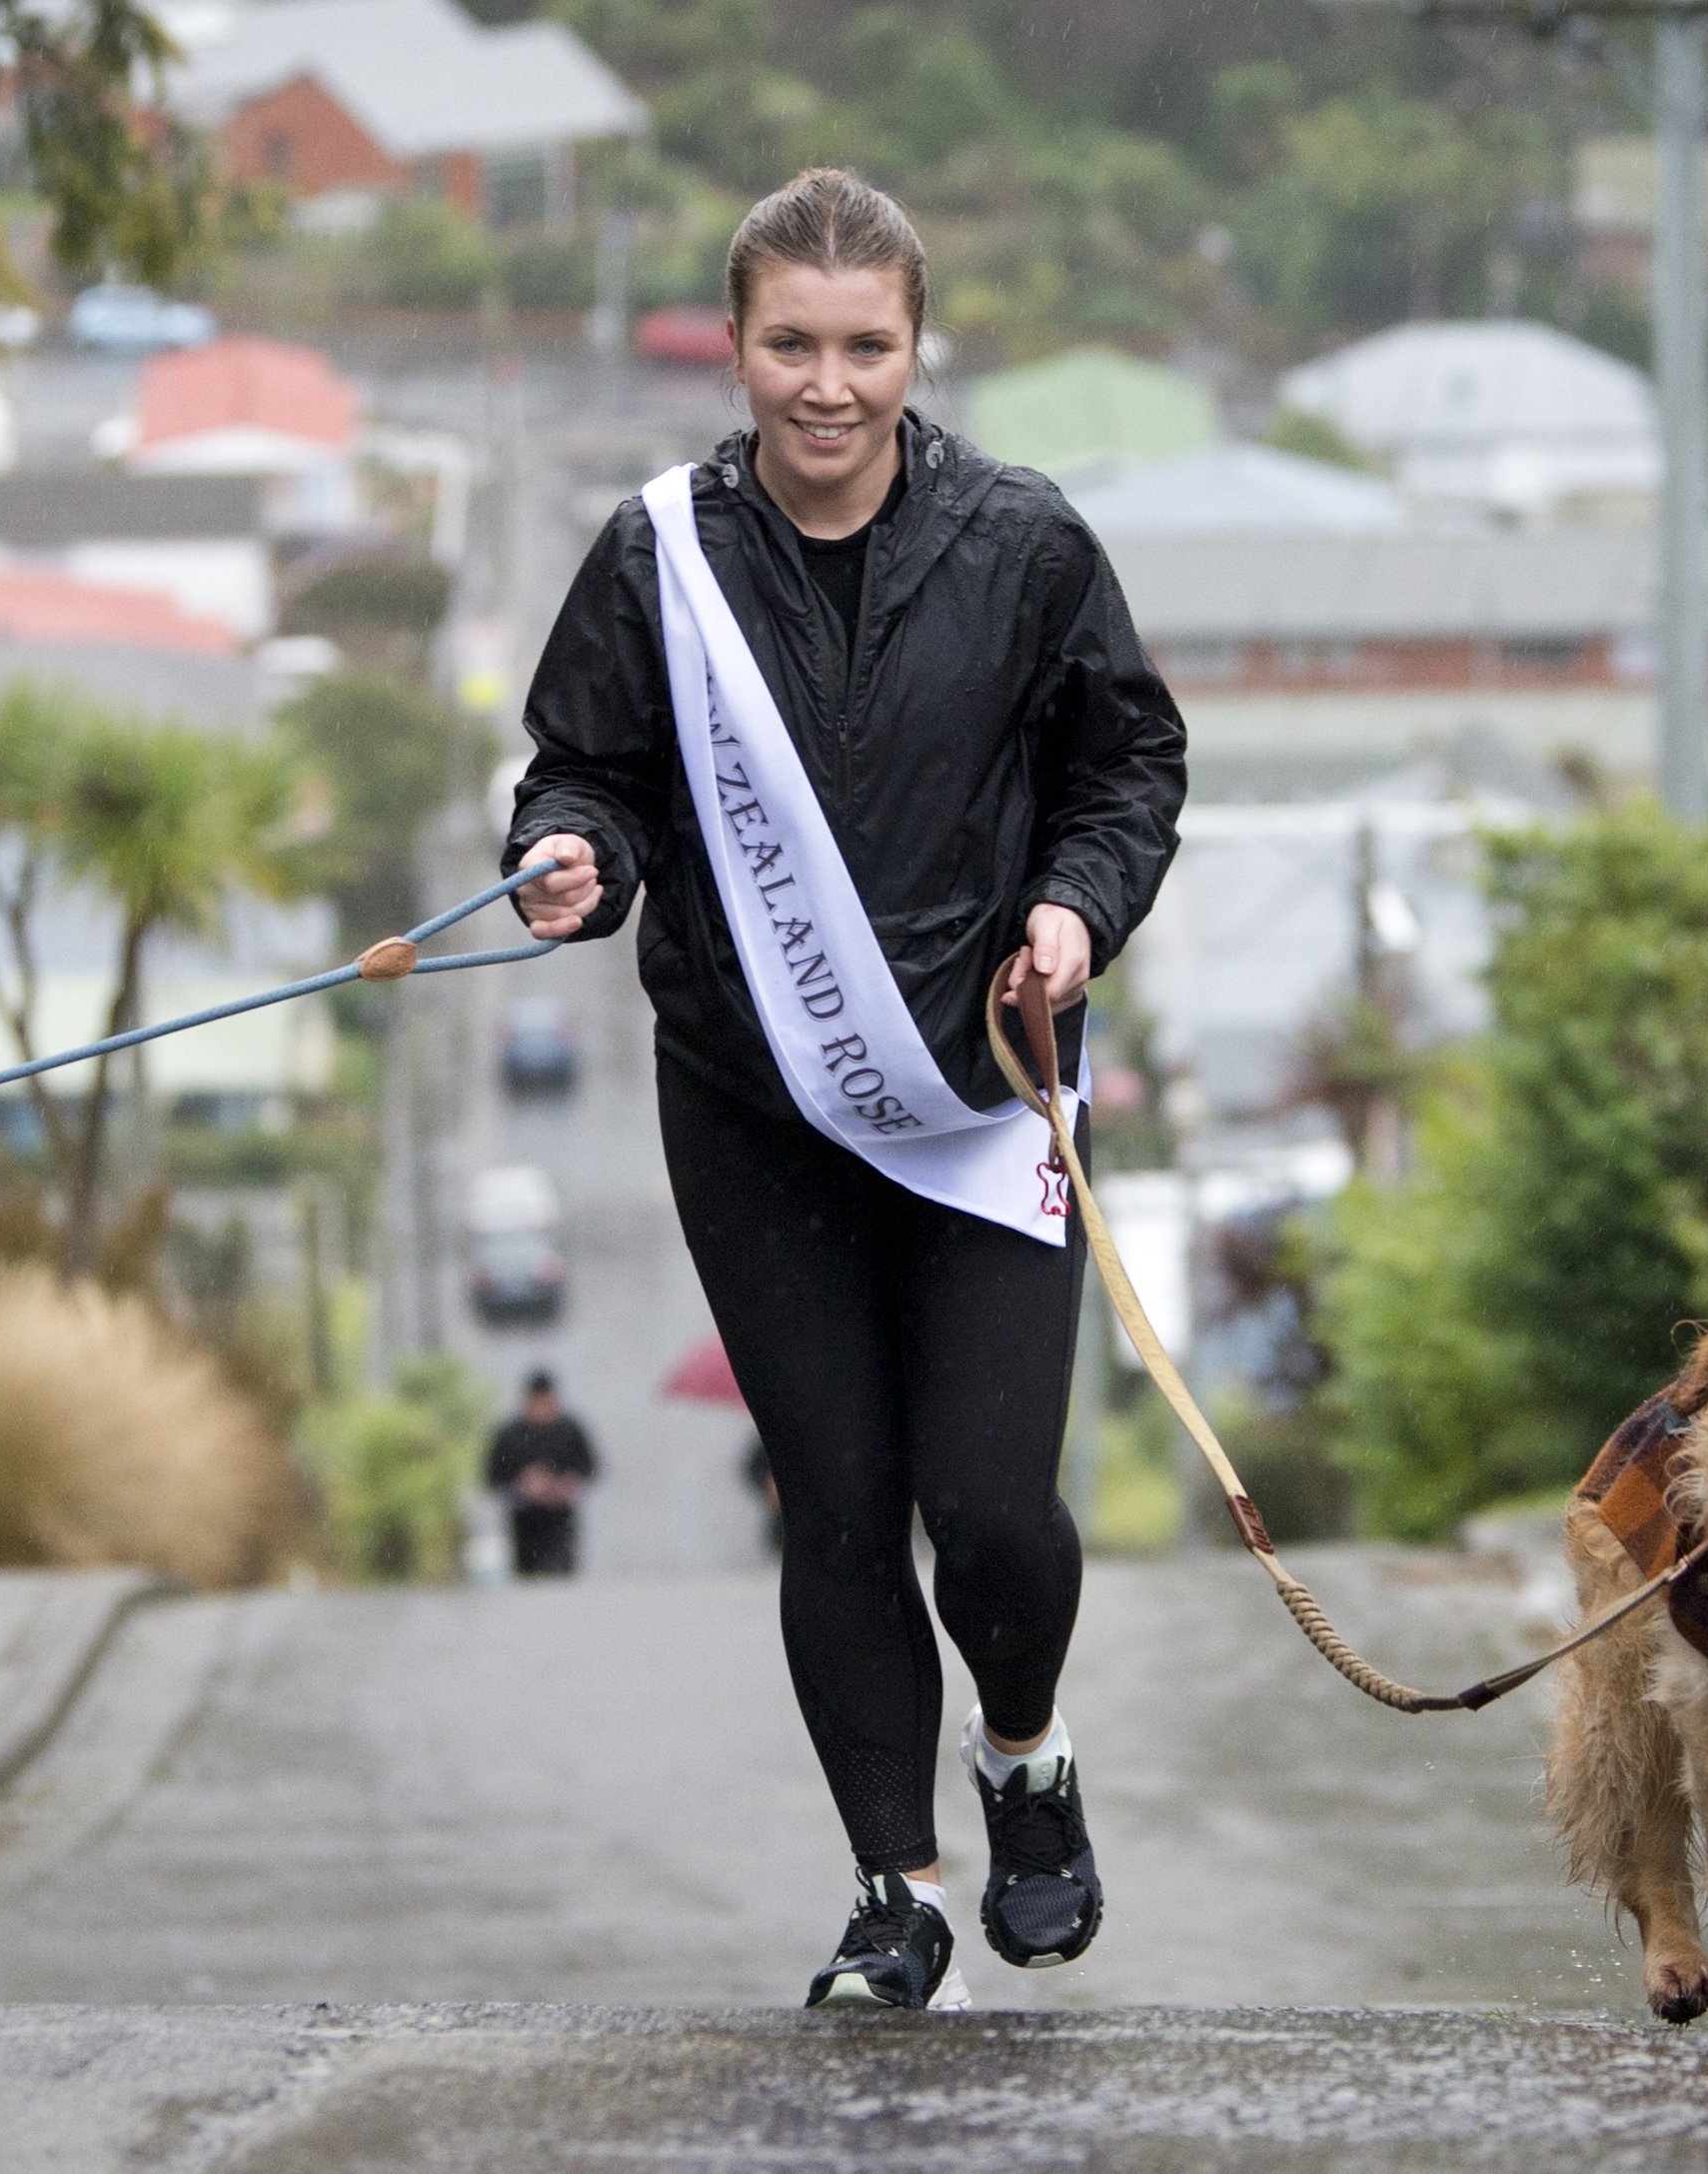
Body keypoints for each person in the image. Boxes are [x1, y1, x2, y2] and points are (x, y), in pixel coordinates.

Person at [506, 169, 1183, 2010]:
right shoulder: (657, 555)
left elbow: (1129, 768)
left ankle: (1024, 1759)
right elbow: (589, 771)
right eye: (788, 345)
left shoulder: (1024, 545)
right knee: (837, 1500)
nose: (826, 384)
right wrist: (572, 855)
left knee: (992, 1508)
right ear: (731, 350)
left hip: (980, 1095)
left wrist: (1073, 908)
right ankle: (894, 1894)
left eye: (862, 346)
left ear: (913, 347)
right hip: (752, 1101)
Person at [487, 1370, 599, 1577]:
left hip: (560, 1518)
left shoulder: (570, 1431)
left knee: (561, 1573)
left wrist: (566, 1483)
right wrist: (523, 1485)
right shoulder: (511, 1435)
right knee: (529, 1577)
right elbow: (493, 1478)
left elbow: (591, 1468)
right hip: (526, 1520)